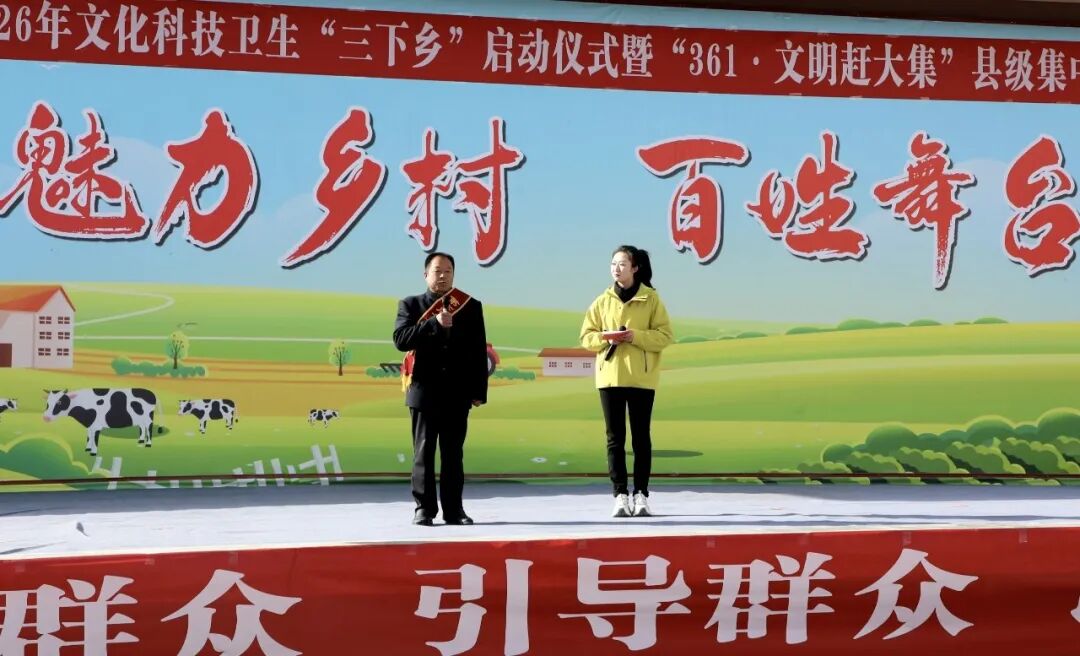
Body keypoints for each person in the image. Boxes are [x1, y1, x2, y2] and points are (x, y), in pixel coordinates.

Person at [393, 252, 488, 526]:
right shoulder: (411, 305)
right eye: (437, 271)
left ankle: (454, 510)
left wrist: (478, 391)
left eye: (448, 271)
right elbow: (401, 339)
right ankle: (424, 509)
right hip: (423, 391)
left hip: (457, 392)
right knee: (423, 453)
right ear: (426, 275)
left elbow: (477, 350)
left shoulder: (470, 306)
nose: (443, 276)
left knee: (453, 454)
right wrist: (433, 324)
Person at [580, 245, 674, 517]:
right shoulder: (602, 301)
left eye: (622, 264)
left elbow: (665, 336)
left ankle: (641, 494)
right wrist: (606, 337)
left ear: (635, 268)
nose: (616, 269)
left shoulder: (651, 299)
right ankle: (620, 494)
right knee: (615, 439)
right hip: (610, 377)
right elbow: (586, 337)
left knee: (641, 438)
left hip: (641, 378)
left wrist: (636, 336)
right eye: (613, 264)